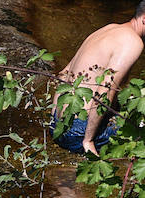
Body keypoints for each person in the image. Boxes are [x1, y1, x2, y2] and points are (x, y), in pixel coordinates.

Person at [53, 2, 145, 155]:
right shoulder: (133, 42)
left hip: (58, 126)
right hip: (78, 133)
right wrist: (87, 141)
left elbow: (64, 73)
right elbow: (105, 90)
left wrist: (54, 117)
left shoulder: (109, 28)